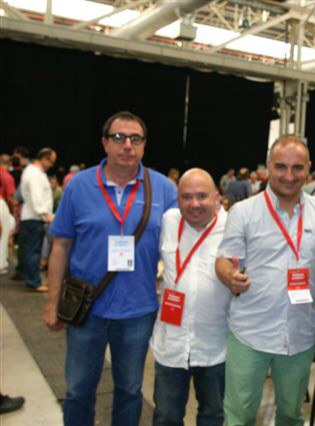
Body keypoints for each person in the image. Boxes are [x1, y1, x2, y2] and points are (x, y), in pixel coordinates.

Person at [42, 111, 177, 426]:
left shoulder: (163, 188)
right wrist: (52, 302)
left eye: (135, 139)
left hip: (137, 310)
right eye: (119, 137)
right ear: (105, 143)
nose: (127, 145)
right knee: (78, 390)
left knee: (129, 390)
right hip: (86, 309)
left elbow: (181, 243)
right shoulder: (79, 186)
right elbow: (61, 246)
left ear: (144, 145)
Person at [215, 135, 315, 426]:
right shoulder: (244, 211)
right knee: (239, 416)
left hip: (299, 334)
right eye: (281, 167)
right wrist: (230, 276)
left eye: (297, 168)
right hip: (250, 333)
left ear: (308, 168)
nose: (289, 176)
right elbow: (223, 259)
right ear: (268, 166)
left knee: (291, 416)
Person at [150, 168, 231, 426]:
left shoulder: (232, 228)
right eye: (186, 197)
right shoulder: (169, 221)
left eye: (202, 196)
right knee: (166, 417)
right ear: (178, 199)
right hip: (171, 343)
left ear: (217, 197)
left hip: (215, 347)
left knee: (213, 417)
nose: (194, 203)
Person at [18, 147, 56, 292]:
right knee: (33, 251)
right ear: (45, 159)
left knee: (30, 249)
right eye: (51, 162)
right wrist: (47, 215)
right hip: (35, 217)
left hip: (33, 216)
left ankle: (29, 278)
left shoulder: (33, 172)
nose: (52, 165)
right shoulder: (34, 174)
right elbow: (37, 197)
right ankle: (33, 282)